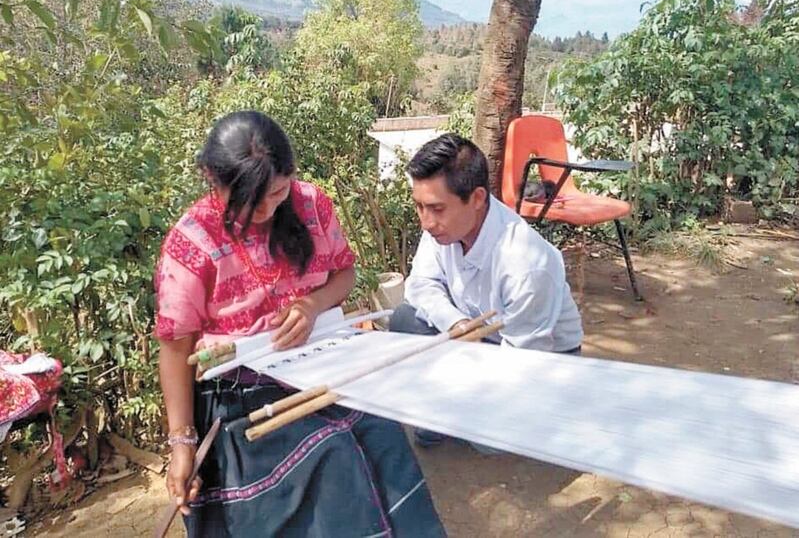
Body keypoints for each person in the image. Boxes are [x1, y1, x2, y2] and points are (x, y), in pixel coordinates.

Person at [155, 111, 444, 537]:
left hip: (321, 361)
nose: (268, 209)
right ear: (212, 182)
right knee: (331, 451)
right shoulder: (193, 240)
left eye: (277, 192)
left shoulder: (311, 204)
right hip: (240, 392)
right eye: (252, 201)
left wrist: (312, 305)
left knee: (382, 432)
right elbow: (176, 349)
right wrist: (182, 442)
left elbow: (344, 274)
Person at [390, 133, 583, 448]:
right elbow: (421, 286)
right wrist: (456, 323)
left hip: (542, 361)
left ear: (477, 198)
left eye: (436, 209)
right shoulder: (441, 226)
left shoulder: (526, 263)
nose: (425, 222)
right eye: (419, 207)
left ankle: (466, 414)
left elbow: (521, 363)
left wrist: (464, 369)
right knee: (405, 320)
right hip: (483, 340)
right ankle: (451, 411)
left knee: (488, 441)